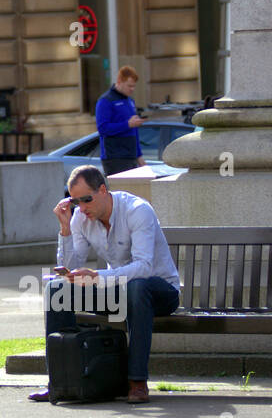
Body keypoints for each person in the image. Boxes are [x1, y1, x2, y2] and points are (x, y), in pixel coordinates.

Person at [29, 165, 181, 404]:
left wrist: (98, 277)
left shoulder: (137, 211)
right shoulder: (80, 217)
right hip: (119, 290)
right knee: (57, 290)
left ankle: (137, 382)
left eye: (86, 199)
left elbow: (144, 267)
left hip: (161, 291)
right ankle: (60, 381)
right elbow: (70, 265)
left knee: (138, 286)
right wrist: (65, 229)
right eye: (75, 201)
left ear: (102, 190)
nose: (82, 207)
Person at [95, 66, 145, 176]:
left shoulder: (130, 101)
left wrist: (139, 156)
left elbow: (134, 131)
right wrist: (127, 124)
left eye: (134, 86)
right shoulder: (106, 100)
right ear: (119, 81)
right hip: (114, 158)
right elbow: (103, 129)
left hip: (130, 156)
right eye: (129, 86)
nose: (132, 89)